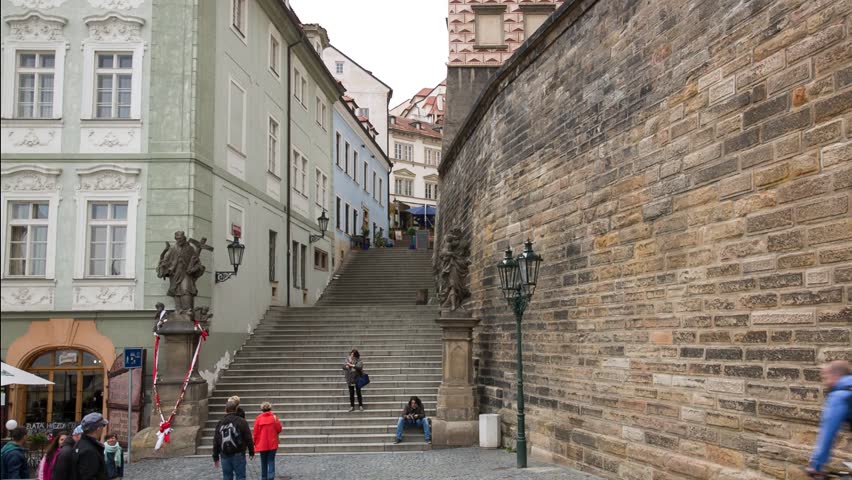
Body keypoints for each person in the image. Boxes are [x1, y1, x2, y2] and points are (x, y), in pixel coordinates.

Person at [807, 360, 852, 476]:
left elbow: (828, 432)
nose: (824, 383)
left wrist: (816, 464)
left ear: (835, 375)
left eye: (825, 378)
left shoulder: (840, 395)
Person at [212, 400, 254, 480]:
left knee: (227, 477)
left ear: (225, 410)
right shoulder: (242, 421)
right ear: (236, 409)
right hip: (239, 453)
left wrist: (215, 456)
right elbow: (248, 438)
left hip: (224, 454)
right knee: (240, 476)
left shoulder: (220, 423)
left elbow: (216, 441)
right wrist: (251, 451)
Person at [73, 412, 109, 480]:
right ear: (98, 428)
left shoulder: (79, 443)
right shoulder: (89, 451)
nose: (102, 429)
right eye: (103, 426)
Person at [252, 402, 282, 480]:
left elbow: (255, 432)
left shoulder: (258, 418)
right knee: (271, 460)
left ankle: (264, 477)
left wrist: (254, 442)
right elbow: (279, 429)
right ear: (270, 408)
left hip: (262, 444)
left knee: (263, 462)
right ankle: (271, 477)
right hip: (273, 443)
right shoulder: (274, 417)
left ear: (262, 409)